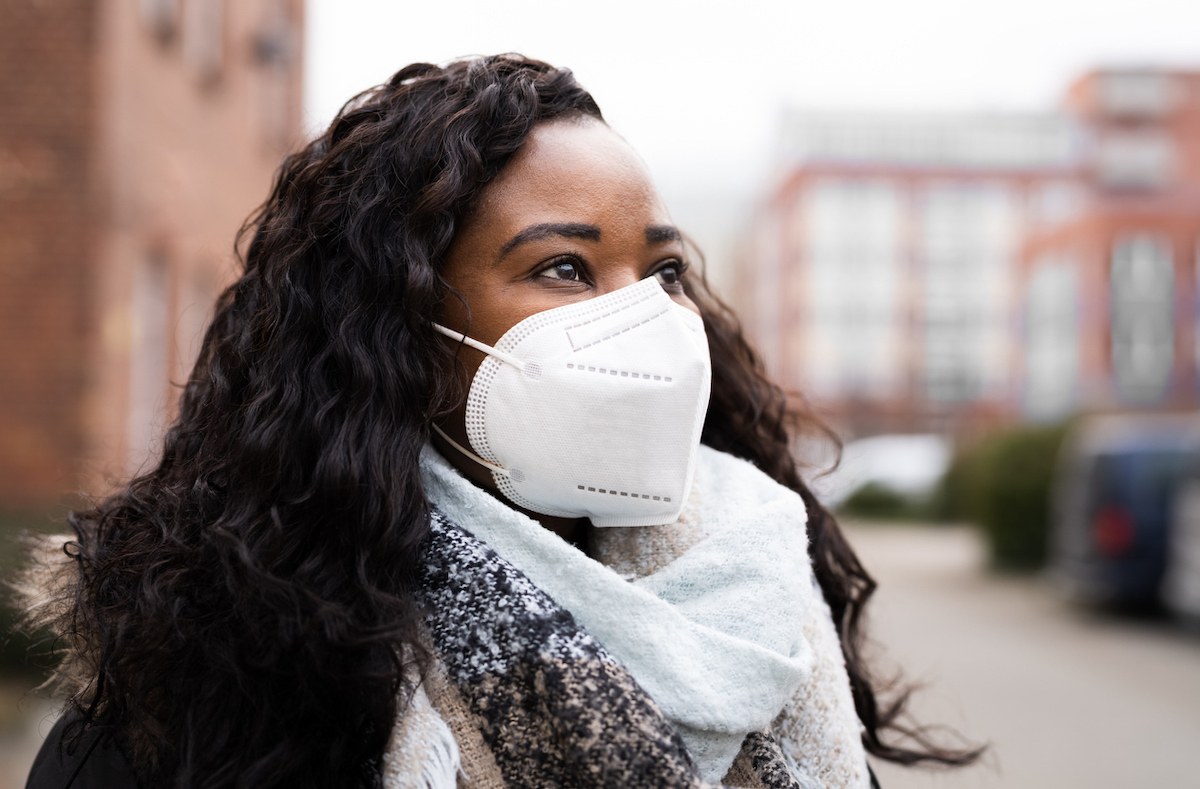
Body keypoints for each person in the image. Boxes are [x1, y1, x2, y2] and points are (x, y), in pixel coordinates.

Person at [23, 55, 978, 789]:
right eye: (563, 266)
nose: (644, 315)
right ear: (394, 325)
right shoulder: (209, 696)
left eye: (663, 273)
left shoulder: (766, 596)